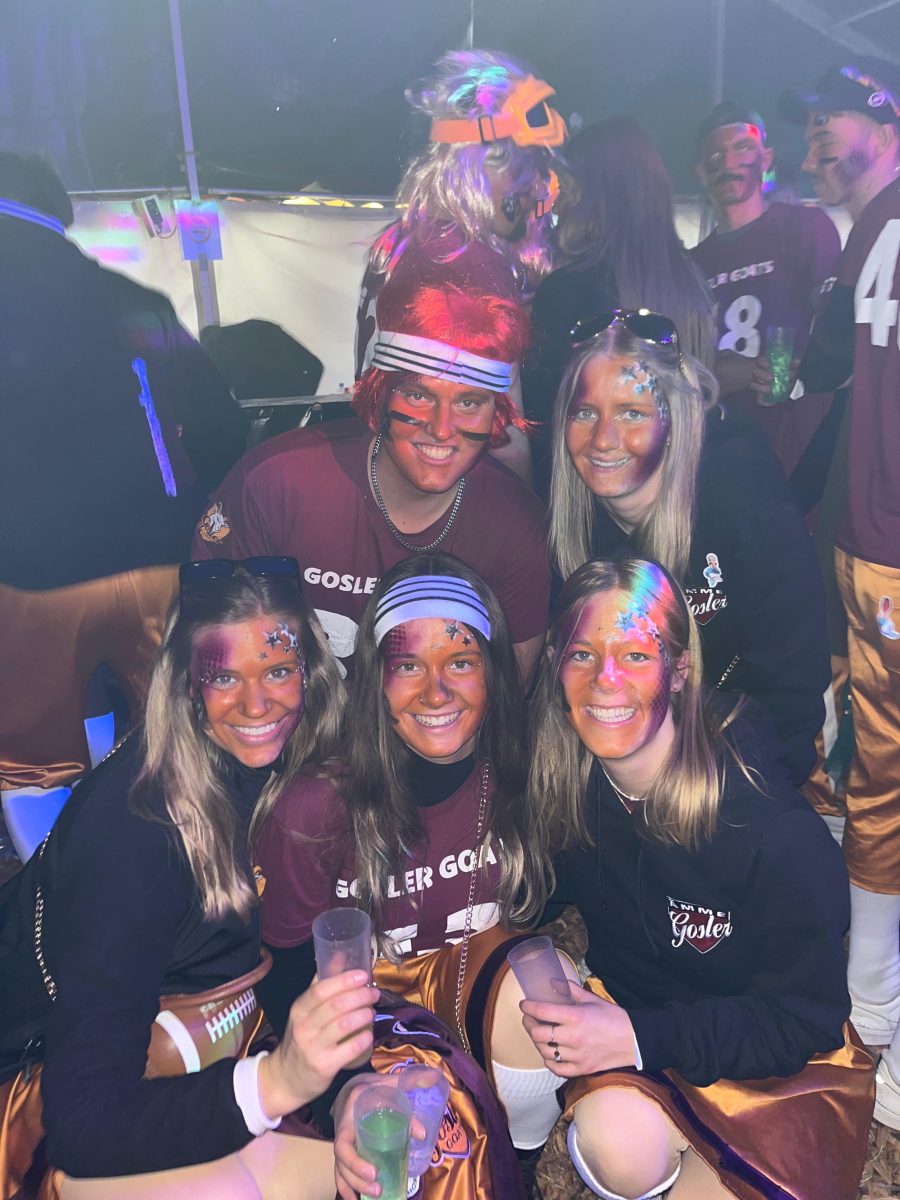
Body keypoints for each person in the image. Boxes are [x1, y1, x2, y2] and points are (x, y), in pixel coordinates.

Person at [0, 557, 378, 1198]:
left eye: (278, 670)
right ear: (184, 683)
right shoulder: (138, 835)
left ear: (310, 671)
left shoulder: (299, 760)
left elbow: (285, 949)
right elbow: (81, 1121)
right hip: (35, 1080)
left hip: (200, 1033)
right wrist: (276, 1083)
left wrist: (346, 1090)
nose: (256, 704)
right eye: (223, 676)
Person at [522, 557, 873, 1200]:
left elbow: (803, 1022)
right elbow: (534, 888)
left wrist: (637, 1036)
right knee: (614, 1147)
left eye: (635, 655)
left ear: (680, 670)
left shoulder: (774, 832)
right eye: (581, 655)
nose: (604, 680)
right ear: (554, 667)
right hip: (646, 1037)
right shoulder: (569, 786)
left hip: (775, 1068)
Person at [254, 555, 575, 1164]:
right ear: (375, 680)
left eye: (461, 662)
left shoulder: (527, 773)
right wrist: (346, 1088)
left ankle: (521, 1160)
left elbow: (579, 883)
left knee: (551, 1000)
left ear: (494, 671)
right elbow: (284, 965)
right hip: (357, 1009)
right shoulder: (314, 806)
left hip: (467, 976)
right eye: (407, 666)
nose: (436, 691)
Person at [0, 153, 248, 861]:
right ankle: (181, 875)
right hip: (159, 564)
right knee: (170, 734)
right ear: (58, 213)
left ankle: (59, 888)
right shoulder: (130, 299)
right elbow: (221, 427)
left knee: (36, 759)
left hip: (28, 579)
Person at [193, 271, 551, 682]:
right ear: (381, 395)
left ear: (494, 414)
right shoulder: (274, 485)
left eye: (469, 402)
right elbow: (207, 659)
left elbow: (509, 693)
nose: (441, 428)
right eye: (418, 395)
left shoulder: (515, 523)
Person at [547, 310, 830, 787]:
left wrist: (729, 795)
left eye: (632, 413)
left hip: (731, 773)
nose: (603, 439)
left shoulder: (748, 510)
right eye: (585, 413)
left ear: (674, 422)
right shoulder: (568, 525)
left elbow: (791, 699)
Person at [783, 58, 900, 1129]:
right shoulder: (865, 232)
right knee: (878, 770)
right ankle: (873, 1005)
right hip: (869, 548)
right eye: (809, 122)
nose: (815, 136)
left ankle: (876, 1004)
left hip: (882, 545)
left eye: (835, 119)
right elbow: (823, 372)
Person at [355, 49, 567, 479]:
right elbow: (501, 438)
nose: (536, 191)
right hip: (459, 490)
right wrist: (525, 503)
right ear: (489, 163)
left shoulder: (403, 242)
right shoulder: (469, 266)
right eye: (527, 170)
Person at [523, 118, 716, 495]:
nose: (558, 202)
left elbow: (540, 423)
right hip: (677, 495)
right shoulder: (692, 284)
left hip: (586, 500)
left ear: (591, 196)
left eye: (567, 187)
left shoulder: (568, 291)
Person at [692, 102, 841, 482]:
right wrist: (720, 373)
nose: (728, 162)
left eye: (742, 147)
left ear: (766, 158)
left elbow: (834, 332)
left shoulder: (805, 228)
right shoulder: (689, 265)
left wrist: (781, 367)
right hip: (718, 452)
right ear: (701, 172)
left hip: (798, 448)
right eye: (715, 154)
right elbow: (681, 368)